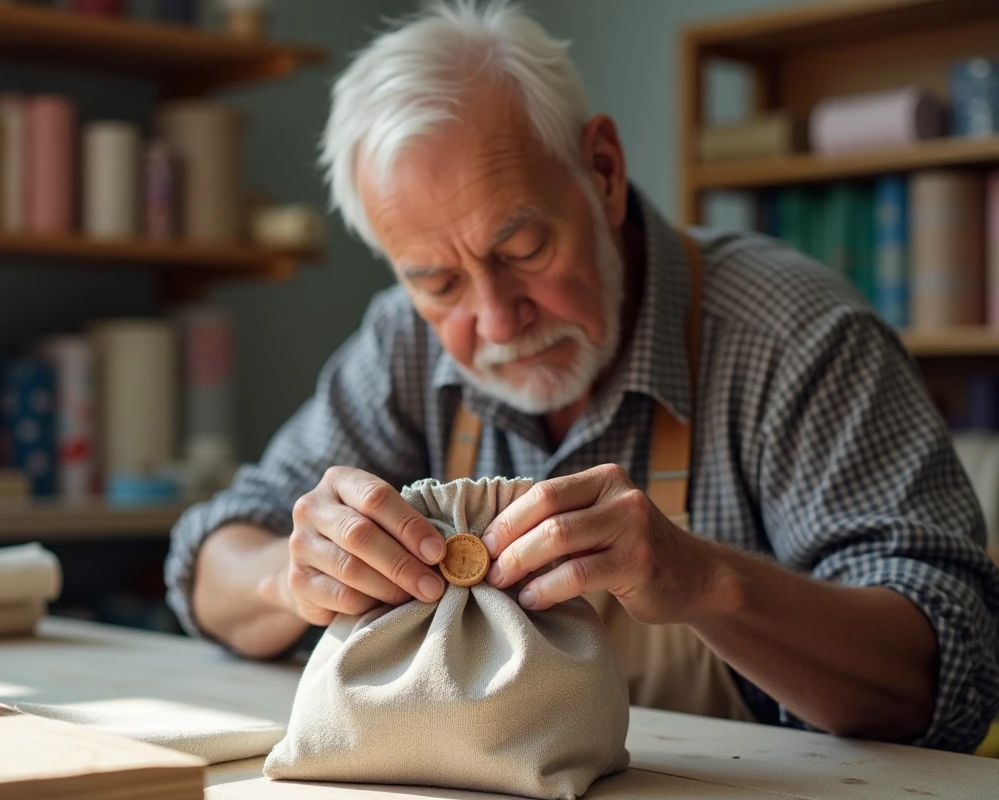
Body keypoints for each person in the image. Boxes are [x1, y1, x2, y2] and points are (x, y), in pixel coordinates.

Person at [165, 0, 999, 752]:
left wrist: (708, 583)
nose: (497, 322)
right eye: (439, 282)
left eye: (524, 249)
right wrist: (291, 574)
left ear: (602, 170)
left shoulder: (796, 337)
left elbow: (952, 670)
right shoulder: (404, 345)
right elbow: (207, 561)